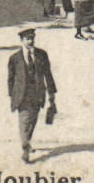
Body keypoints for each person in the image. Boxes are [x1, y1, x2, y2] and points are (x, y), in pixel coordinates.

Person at [6, 28, 56, 163]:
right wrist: (12, 94)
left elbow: (48, 74)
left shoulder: (42, 55)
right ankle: (25, 147)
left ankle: (26, 142)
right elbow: (10, 78)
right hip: (22, 95)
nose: (31, 41)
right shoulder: (14, 58)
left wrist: (52, 92)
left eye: (32, 38)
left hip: (37, 93)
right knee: (24, 121)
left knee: (32, 121)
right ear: (21, 41)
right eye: (27, 39)